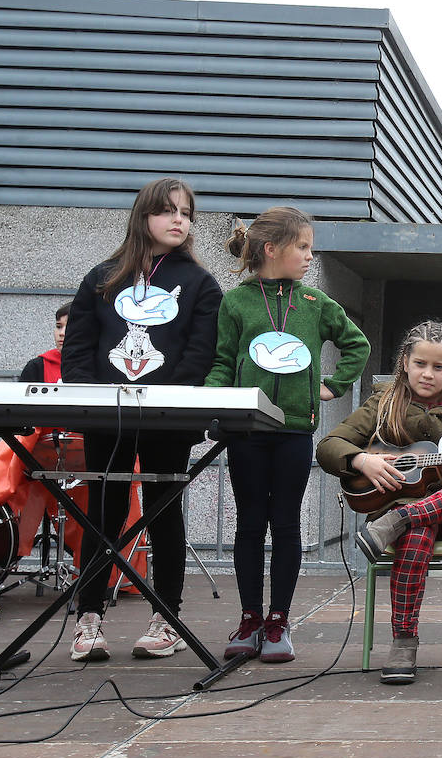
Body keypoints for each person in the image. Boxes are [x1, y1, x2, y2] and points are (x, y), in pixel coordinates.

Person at [60, 177, 222, 662]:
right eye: (168, 210)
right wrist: (91, 398)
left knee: (162, 512)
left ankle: (165, 618)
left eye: (187, 213)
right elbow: (78, 350)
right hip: (106, 417)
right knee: (103, 513)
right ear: (143, 216)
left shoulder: (200, 282)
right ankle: (89, 618)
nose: (179, 220)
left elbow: (199, 353)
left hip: (167, 418)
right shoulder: (101, 278)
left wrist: (167, 398)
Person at [206, 207, 371, 663]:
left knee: (285, 523)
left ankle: (279, 619)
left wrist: (333, 385)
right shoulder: (236, 302)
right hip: (247, 432)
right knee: (249, 523)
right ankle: (249, 618)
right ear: (270, 249)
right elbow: (222, 361)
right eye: (302, 247)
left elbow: (357, 344)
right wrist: (215, 401)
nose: (309, 257)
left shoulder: (317, 304)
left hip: (295, 432)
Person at [316, 320, 442, 683]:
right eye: (420, 364)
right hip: (409, 519)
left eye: (438, 367)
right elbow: (329, 446)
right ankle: (404, 642)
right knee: (418, 530)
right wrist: (362, 460)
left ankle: (401, 519)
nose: (428, 374)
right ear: (405, 363)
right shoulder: (383, 403)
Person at [19, 302, 71, 383]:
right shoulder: (37, 366)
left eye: (69, 327)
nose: (62, 333)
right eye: (59, 326)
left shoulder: (95, 365)